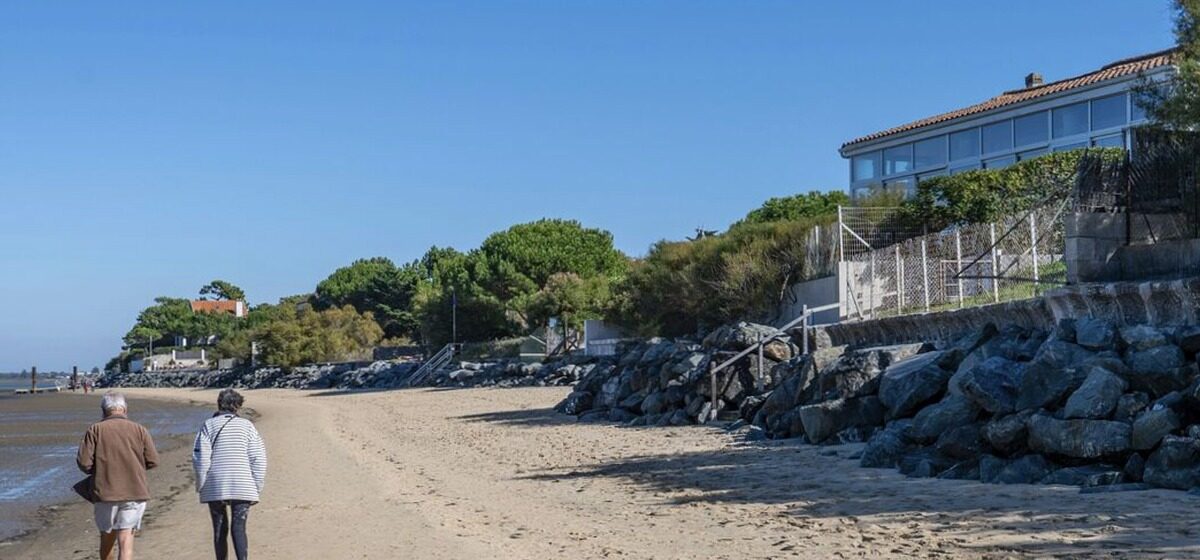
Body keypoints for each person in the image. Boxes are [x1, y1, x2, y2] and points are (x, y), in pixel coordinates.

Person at [76, 391, 159, 560]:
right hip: (135, 491)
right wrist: (134, 467)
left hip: (105, 493)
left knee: (107, 540)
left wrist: (101, 471)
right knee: (126, 540)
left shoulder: (95, 430)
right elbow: (153, 460)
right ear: (125, 409)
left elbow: (84, 463)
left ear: (103, 411)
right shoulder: (139, 430)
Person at [193, 389, 267, 560]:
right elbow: (258, 458)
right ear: (237, 406)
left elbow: (200, 459)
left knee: (219, 527)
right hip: (243, 484)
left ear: (219, 404)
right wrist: (256, 486)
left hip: (215, 484)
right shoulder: (247, 426)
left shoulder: (208, 425)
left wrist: (201, 484)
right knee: (239, 527)